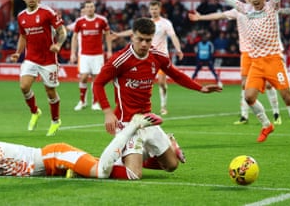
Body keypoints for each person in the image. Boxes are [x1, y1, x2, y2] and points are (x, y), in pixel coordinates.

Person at [201, 0, 290, 146]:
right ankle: (267, 125)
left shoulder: (272, 6)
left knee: (287, 97)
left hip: (274, 59)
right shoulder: (245, 9)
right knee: (249, 97)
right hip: (257, 62)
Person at [93, 18, 222, 179]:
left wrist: (200, 88)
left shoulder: (157, 56)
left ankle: (141, 155)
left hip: (148, 120)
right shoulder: (120, 59)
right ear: (132, 36)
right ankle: (95, 167)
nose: (144, 44)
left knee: (171, 165)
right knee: (133, 174)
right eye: (140, 39)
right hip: (127, 123)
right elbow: (97, 83)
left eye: (148, 40)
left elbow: (176, 74)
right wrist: (107, 112)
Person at [0, 114, 162, 179]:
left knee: (103, 173)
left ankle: (132, 128)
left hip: (55, 155)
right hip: (54, 163)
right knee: (118, 170)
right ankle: (154, 154)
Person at [189, 0, 290, 125]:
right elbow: (219, 15)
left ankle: (276, 113)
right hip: (247, 53)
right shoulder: (239, 11)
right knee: (244, 86)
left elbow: (280, 11)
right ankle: (244, 116)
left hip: (263, 52)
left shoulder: (262, 10)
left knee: (270, 84)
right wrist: (201, 17)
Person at [10, 0, 67, 136]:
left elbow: (62, 31)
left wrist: (58, 44)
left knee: (50, 91)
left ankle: (55, 121)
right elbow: (23, 36)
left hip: (48, 59)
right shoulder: (21, 16)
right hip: (31, 58)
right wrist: (18, 52)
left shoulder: (47, 12)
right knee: (24, 86)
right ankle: (35, 111)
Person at [112, 1, 184, 115]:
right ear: (149, 10)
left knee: (161, 83)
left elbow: (173, 36)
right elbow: (133, 31)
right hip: (146, 57)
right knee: (141, 82)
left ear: (160, 9)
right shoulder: (146, 22)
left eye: (156, 9)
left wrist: (178, 49)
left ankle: (163, 106)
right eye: (152, 9)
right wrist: (119, 34)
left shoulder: (166, 23)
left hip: (160, 58)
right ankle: (139, 107)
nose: (154, 11)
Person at [70, 0, 112, 111]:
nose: (89, 9)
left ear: (94, 8)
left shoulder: (102, 20)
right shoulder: (79, 21)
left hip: (98, 55)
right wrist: (73, 53)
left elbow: (108, 36)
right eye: (87, 7)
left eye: (91, 6)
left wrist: (109, 50)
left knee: (96, 79)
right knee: (83, 77)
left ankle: (95, 103)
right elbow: (74, 38)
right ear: (85, 9)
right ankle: (82, 101)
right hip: (84, 55)